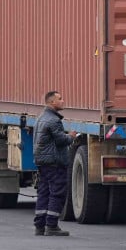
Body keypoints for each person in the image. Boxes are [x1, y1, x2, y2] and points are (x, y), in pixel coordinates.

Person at [33, 90, 77, 236]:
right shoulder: (54, 120)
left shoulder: (40, 118)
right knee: (57, 193)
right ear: (52, 102)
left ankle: (40, 226)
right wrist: (71, 136)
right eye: (60, 98)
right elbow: (61, 140)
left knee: (43, 193)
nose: (63, 101)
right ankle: (51, 225)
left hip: (43, 162)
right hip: (54, 162)